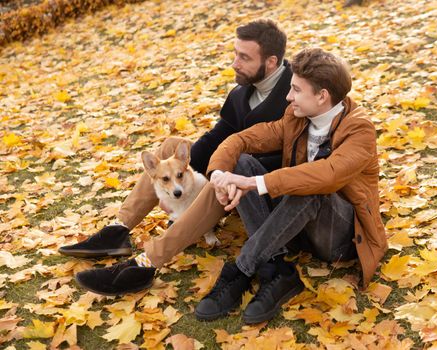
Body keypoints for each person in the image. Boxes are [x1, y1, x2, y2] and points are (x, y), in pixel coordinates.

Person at [75, 48, 388, 325]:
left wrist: (253, 183)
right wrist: (221, 175)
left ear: (321, 96)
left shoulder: (359, 128)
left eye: (295, 90)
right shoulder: (295, 117)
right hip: (293, 228)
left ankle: (240, 269)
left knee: (311, 183)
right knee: (240, 162)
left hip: (338, 236)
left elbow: (327, 174)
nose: (288, 96)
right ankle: (278, 270)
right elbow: (242, 139)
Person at [59, 19, 291, 259]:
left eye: (244, 58)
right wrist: (180, 179)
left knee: (221, 177)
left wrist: (211, 178)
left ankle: (152, 258)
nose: (234, 63)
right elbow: (216, 138)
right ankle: (118, 230)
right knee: (171, 147)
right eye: (235, 54)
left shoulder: (296, 92)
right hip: (232, 167)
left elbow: (295, 159)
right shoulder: (243, 91)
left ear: (271, 61)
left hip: (263, 189)